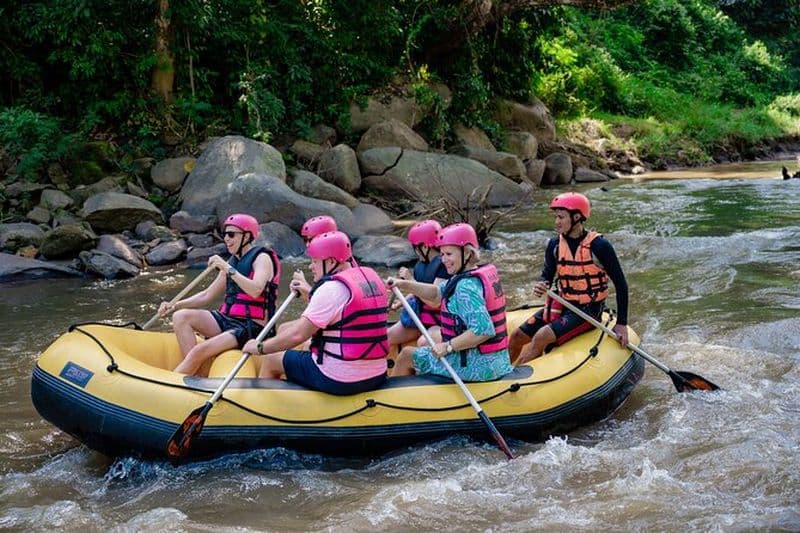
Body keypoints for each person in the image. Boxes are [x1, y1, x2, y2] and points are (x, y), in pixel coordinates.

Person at [242, 231, 389, 395]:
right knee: (302, 350)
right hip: (378, 374)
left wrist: (260, 347)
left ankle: (265, 411)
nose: (311, 266)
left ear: (331, 261)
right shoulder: (372, 279)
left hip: (340, 378)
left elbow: (297, 335)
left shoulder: (330, 289)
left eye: (315, 261)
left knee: (271, 360)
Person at [509, 192, 629, 365]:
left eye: (561, 217)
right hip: (563, 305)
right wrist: (542, 284)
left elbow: (621, 284)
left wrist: (622, 323)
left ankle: (511, 383)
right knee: (517, 336)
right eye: (556, 217)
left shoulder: (600, 246)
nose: (556, 222)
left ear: (577, 217)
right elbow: (547, 274)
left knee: (541, 336)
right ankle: (499, 376)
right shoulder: (554, 245)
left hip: (588, 311)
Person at [386, 223, 513, 381]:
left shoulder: (465, 288)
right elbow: (437, 294)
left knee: (406, 355)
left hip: (476, 366)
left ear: (466, 253)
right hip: (494, 361)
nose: (443, 260)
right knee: (415, 352)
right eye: (442, 254)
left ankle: (394, 401)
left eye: (448, 254)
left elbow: (483, 330)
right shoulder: (469, 275)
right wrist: (404, 284)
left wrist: (448, 346)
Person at [158, 213, 281, 375]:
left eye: (231, 235)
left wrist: (226, 268)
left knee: (199, 351)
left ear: (247, 236)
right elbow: (207, 295)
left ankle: (174, 381)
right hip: (228, 320)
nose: (226, 239)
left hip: (252, 327)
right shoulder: (233, 261)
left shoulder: (262, 258)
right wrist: (175, 305)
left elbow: (256, 289)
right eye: (225, 234)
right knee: (181, 316)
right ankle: (196, 374)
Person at [386, 220, 450, 348]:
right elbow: (417, 292)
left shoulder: (444, 265)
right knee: (386, 337)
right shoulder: (421, 265)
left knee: (424, 342)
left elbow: (435, 301)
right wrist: (398, 304)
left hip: (438, 323)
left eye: (415, 247)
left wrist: (409, 281)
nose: (415, 251)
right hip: (420, 319)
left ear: (425, 247)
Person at [292, 215, 339, 300]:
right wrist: (303, 290)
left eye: (311, 240)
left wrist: (306, 287)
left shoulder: (337, 264)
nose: (307, 245)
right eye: (305, 240)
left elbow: (327, 304)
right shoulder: (329, 261)